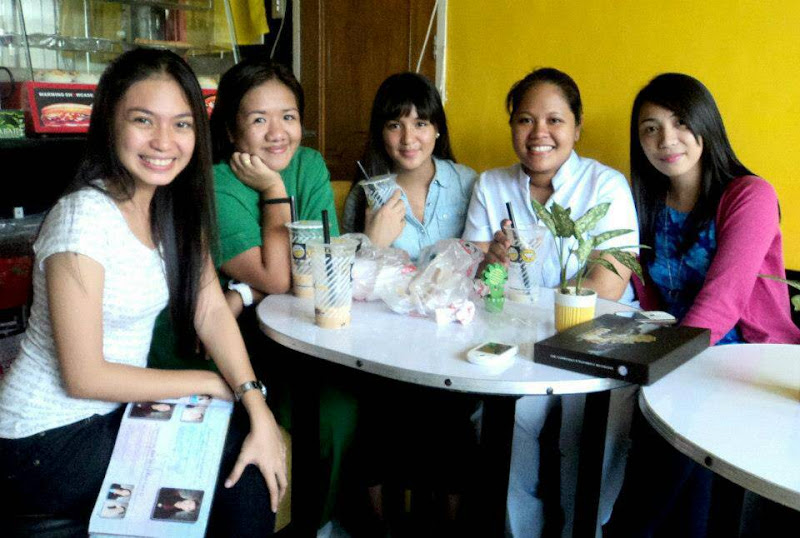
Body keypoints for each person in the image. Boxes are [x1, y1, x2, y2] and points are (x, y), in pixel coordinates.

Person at [0, 48, 286, 536]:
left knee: (247, 452)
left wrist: (253, 400)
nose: (163, 141)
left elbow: (211, 310)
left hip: (108, 417)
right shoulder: (84, 217)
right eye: (143, 120)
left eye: (181, 124)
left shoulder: (171, 208)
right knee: (237, 473)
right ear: (110, 124)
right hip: (40, 439)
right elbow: (84, 376)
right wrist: (207, 383)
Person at [147, 57, 354, 534]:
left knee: (340, 409)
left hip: (290, 338)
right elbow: (280, 277)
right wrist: (274, 189)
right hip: (214, 349)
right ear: (231, 130)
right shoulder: (214, 182)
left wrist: (243, 290)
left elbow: (322, 265)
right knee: (323, 411)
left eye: (289, 116)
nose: (278, 133)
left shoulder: (310, 164)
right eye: (259, 119)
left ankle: (316, 524)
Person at [605, 73, 800, 538]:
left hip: (749, 361)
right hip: (682, 360)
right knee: (667, 458)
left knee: (666, 465)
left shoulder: (749, 195)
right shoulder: (646, 202)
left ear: (706, 125)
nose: (666, 139)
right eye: (650, 128)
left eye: (680, 122)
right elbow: (648, 298)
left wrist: (660, 364)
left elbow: (724, 299)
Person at [462, 67, 639, 537]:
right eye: (525, 120)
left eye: (555, 120)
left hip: (598, 341)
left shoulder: (605, 186)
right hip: (519, 341)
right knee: (502, 420)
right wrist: (491, 263)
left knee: (588, 428)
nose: (538, 132)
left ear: (577, 128)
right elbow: (478, 283)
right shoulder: (491, 186)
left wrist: (528, 301)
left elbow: (607, 286)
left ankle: (583, 529)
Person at [341, 72, 477, 261]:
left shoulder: (468, 183)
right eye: (395, 126)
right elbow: (347, 275)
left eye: (420, 124)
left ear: (437, 129)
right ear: (381, 132)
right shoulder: (363, 196)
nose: (408, 139)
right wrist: (373, 242)